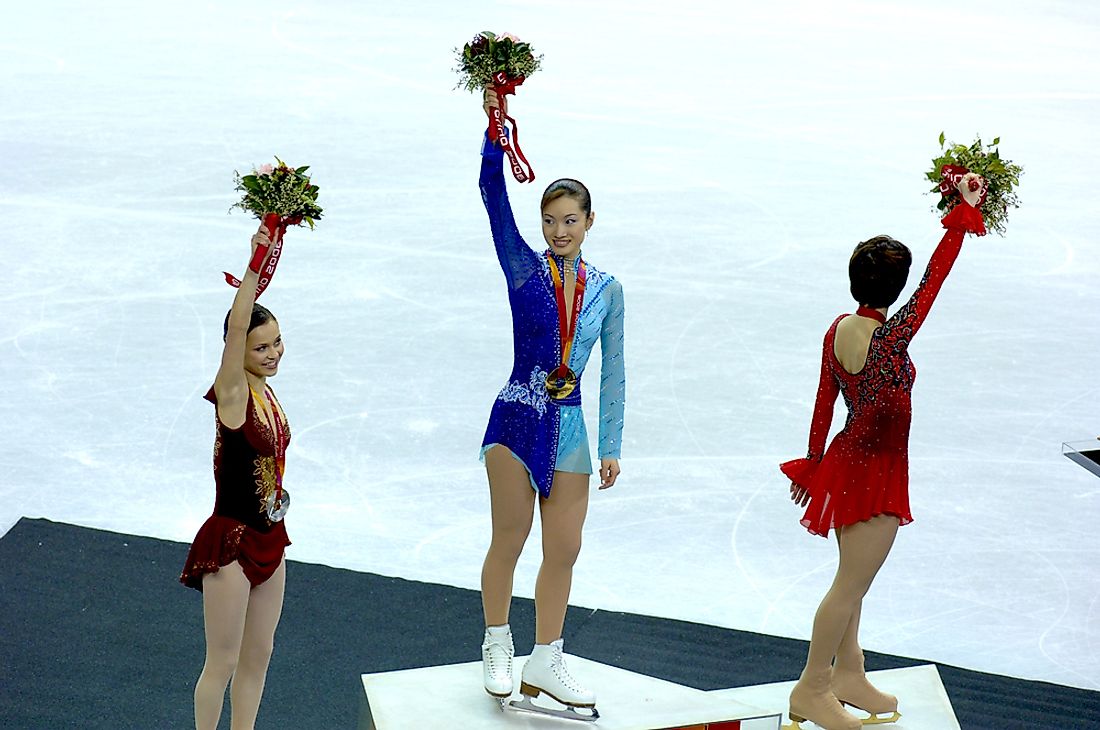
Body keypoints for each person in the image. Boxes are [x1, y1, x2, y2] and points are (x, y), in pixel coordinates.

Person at [779, 193, 985, 729]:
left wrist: (815, 460)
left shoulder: (837, 330)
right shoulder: (891, 339)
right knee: (849, 585)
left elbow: (824, 400)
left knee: (854, 580)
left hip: (846, 461)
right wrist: (959, 222)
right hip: (875, 472)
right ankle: (812, 686)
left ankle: (849, 671)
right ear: (894, 289)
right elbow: (933, 284)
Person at [476, 88, 625, 715]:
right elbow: (492, 198)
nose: (558, 231)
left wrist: (612, 446)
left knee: (564, 548)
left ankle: (546, 656)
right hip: (517, 419)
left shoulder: (609, 290)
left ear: (589, 222)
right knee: (509, 539)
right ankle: (497, 640)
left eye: (570, 221)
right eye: (550, 221)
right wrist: (494, 126)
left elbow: (614, 370)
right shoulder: (522, 268)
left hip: (571, 431)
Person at [180, 222, 291, 730]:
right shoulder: (233, 393)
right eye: (260, 347)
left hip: (272, 536)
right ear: (237, 350)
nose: (272, 354)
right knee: (221, 663)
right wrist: (256, 263)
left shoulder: (266, 392)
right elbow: (238, 319)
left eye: (276, 343)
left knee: (259, 655)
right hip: (232, 543)